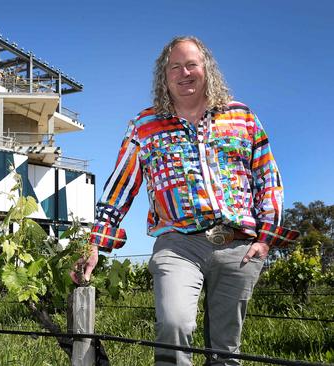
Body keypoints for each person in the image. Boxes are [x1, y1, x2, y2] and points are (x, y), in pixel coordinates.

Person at [75, 36, 299, 365]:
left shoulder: (242, 117)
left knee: (225, 350)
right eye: (175, 67)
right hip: (177, 243)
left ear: (206, 69)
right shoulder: (144, 126)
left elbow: (268, 177)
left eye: (191, 64)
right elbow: (121, 185)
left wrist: (265, 240)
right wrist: (96, 241)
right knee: (173, 325)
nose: (185, 73)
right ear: (164, 78)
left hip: (238, 246)